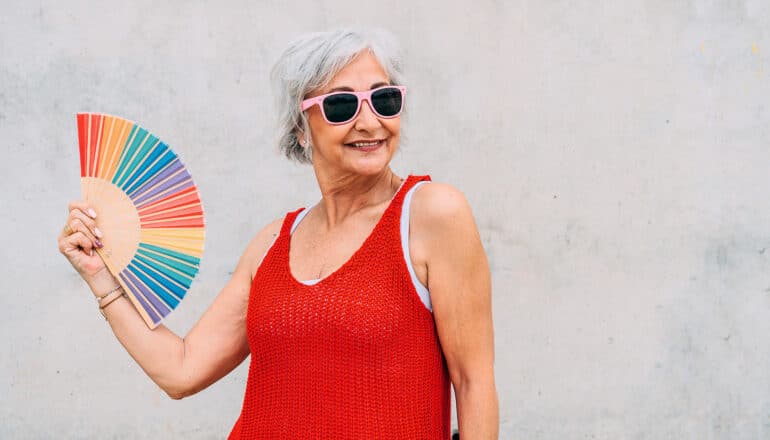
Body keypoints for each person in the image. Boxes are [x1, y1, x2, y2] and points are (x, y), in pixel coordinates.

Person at [58, 28, 498, 439]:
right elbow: (182, 370)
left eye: (384, 100)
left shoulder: (432, 214)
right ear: (300, 131)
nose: (370, 122)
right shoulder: (272, 242)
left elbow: (473, 381)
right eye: (342, 105)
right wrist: (100, 277)